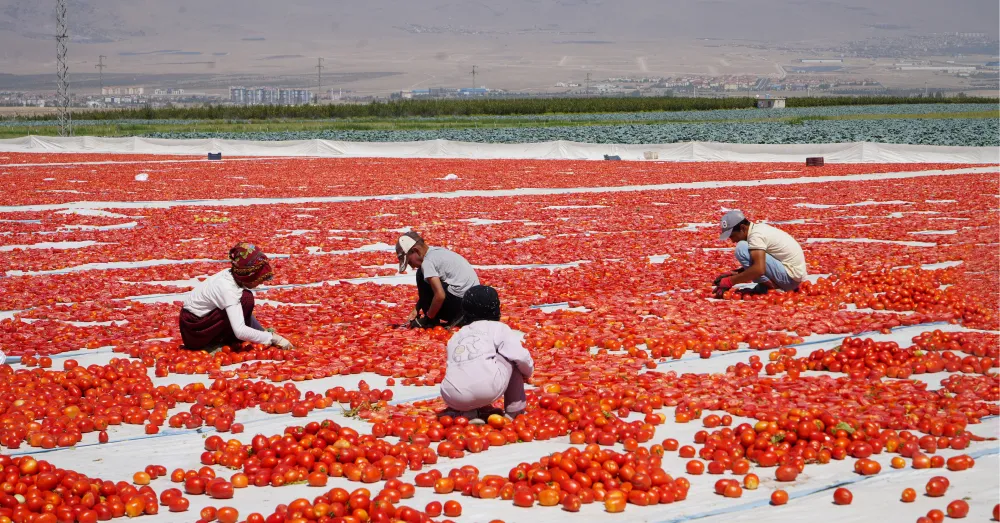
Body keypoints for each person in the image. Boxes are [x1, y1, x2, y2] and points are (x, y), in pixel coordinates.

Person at [439, 285, 534, 422]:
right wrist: (527, 372)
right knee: (510, 358)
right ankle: (514, 412)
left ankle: (468, 413)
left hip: (450, 395)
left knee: (463, 363)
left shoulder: (457, 335)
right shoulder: (498, 328)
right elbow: (520, 356)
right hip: (487, 390)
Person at [179, 242, 294, 351]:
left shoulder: (232, 275)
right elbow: (240, 331)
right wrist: (272, 338)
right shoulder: (227, 288)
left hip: (195, 326)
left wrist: (263, 333)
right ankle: (214, 342)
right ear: (249, 275)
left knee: (245, 299)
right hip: (195, 332)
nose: (261, 282)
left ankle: (223, 338)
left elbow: (243, 314)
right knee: (246, 299)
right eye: (259, 278)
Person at [396, 231, 480, 328]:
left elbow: (440, 295)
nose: (411, 266)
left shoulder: (427, 263)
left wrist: (428, 317)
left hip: (460, 306)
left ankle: (432, 322)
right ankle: (459, 318)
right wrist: (417, 308)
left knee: (420, 274)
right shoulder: (436, 252)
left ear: (416, 251)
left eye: (409, 262)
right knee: (426, 277)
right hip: (474, 304)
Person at [713, 210, 807, 298]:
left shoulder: (756, 236)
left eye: (732, 236)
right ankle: (767, 287)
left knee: (741, 248)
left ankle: (775, 289)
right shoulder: (758, 229)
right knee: (746, 249)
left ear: (742, 228)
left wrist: (730, 281)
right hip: (792, 278)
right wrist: (734, 273)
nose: (733, 240)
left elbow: (759, 269)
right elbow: (761, 263)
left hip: (788, 279)